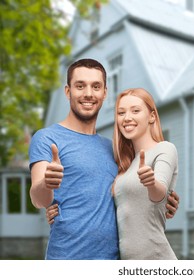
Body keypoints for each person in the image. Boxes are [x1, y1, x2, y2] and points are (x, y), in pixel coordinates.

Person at [29, 58, 179, 260]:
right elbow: (39, 199)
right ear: (68, 92)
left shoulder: (114, 149)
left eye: (96, 86)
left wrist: (165, 200)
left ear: (104, 93)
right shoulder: (47, 138)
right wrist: (47, 183)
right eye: (80, 86)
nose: (88, 93)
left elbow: (131, 192)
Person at [112, 88, 178, 259]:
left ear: (152, 116)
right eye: (121, 112)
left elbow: (160, 193)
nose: (127, 118)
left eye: (135, 110)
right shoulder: (126, 166)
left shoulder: (164, 149)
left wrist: (151, 183)